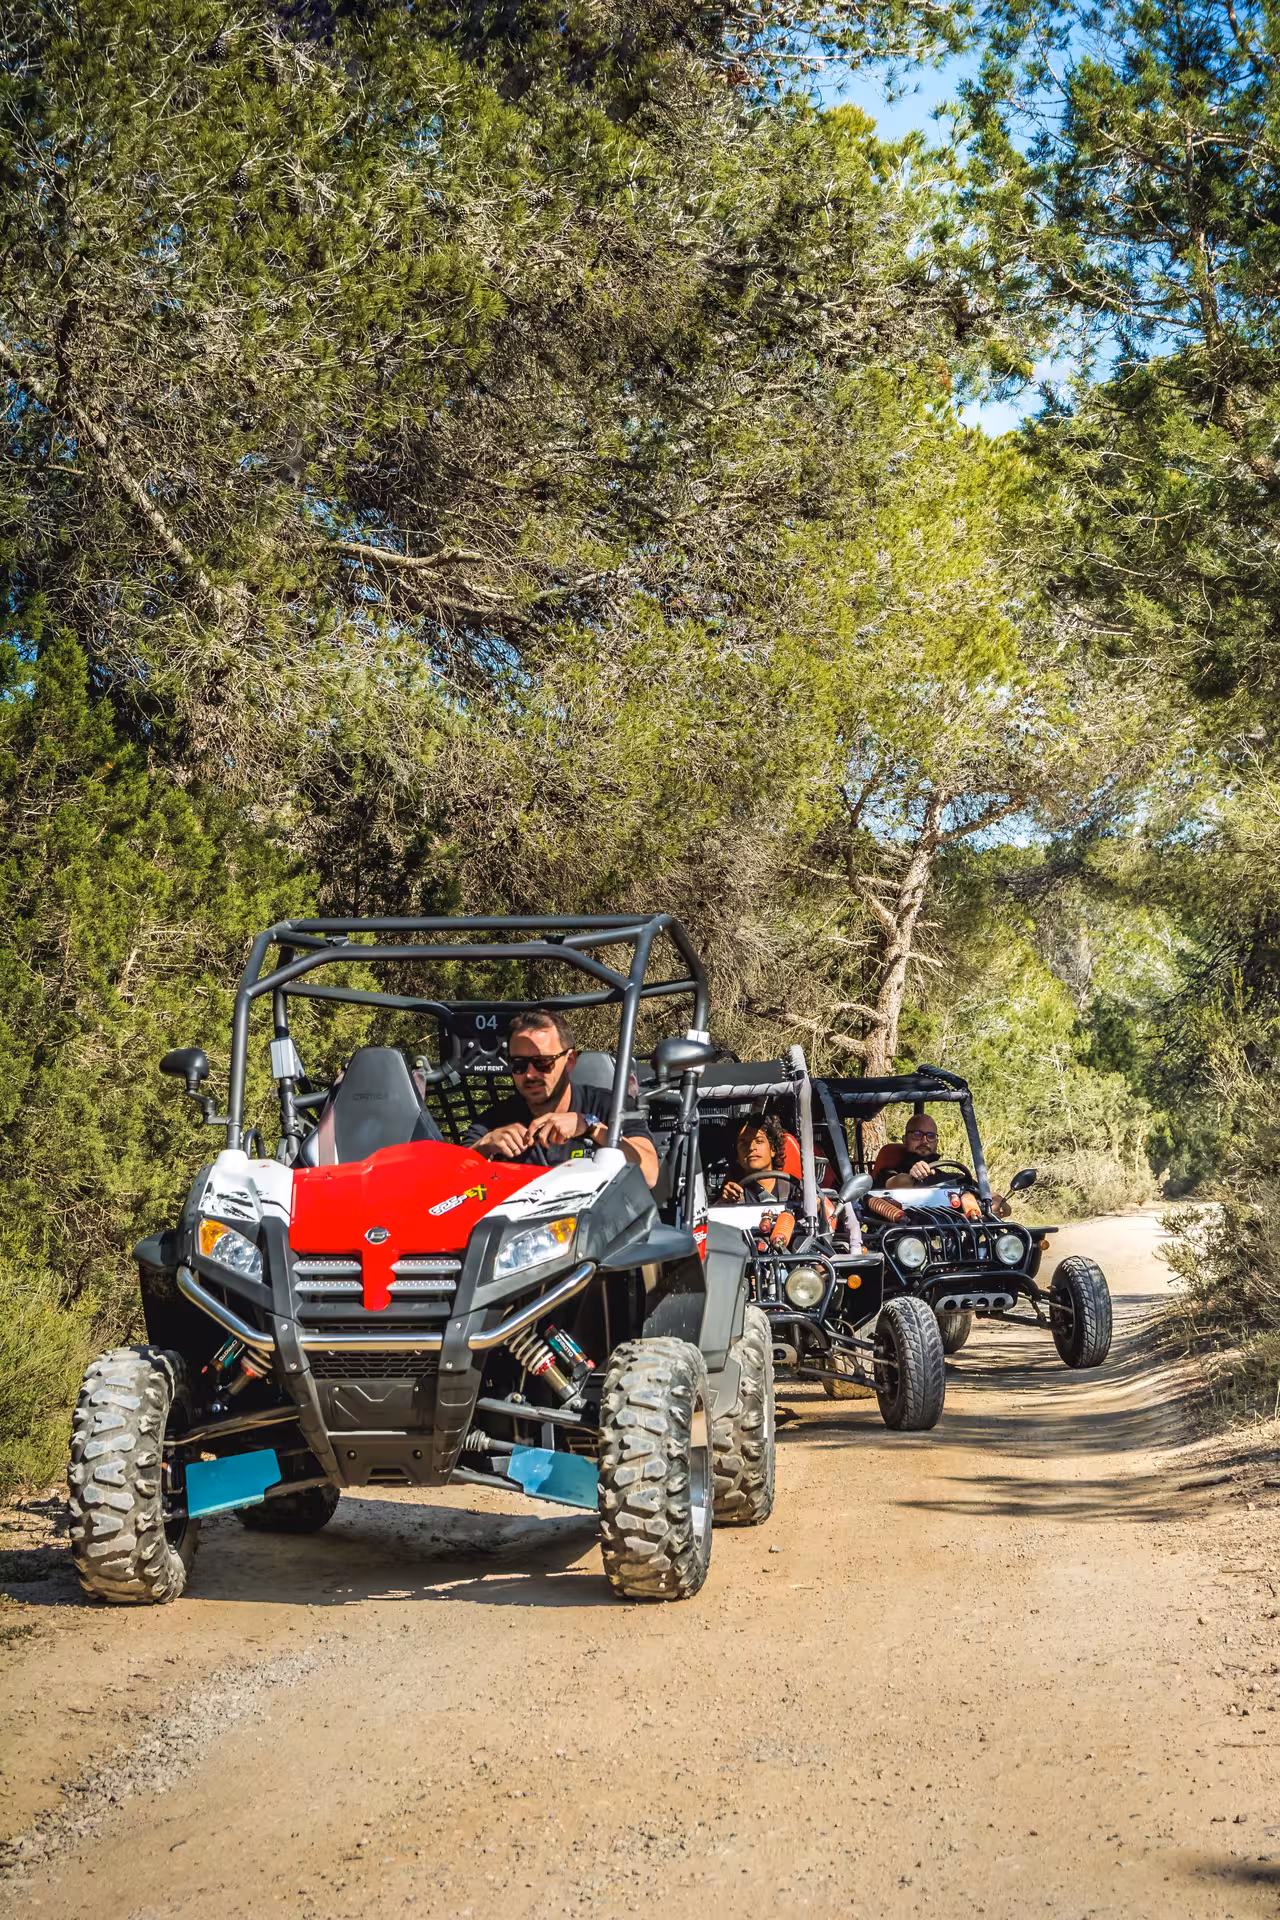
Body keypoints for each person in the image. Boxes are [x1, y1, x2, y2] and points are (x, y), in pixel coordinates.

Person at [463, 1009, 659, 1189]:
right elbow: (454, 1177)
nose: (529, 1075)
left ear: (570, 1060)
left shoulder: (610, 1106)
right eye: (519, 1064)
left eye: (542, 1062)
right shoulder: (494, 1120)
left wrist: (591, 1126)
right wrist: (485, 1146)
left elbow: (649, 1174)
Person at [872, 1112, 1009, 1218]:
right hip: (903, 1240)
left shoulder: (952, 1179)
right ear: (905, 1139)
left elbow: (980, 1193)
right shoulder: (889, 1171)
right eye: (917, 1134)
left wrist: (996, 1201)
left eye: (930, 1136)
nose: (924, 1141)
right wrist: (911, 1176)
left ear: (936, 1142)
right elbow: (892, 1183)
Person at [717, 1114, 798, 1248]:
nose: (751, 1147)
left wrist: (815, 1202)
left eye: (759, 1141)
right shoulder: (734, 1194)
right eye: (743, 1143)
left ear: (773, 1149)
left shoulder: (795, 1188)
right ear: (736, 1155)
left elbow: (823, 1217)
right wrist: (723, 1203)